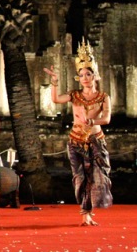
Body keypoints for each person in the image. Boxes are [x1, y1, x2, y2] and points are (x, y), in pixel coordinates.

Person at [43, 38, 112, 226]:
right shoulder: (74, 95)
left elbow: (106, 119)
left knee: (97, 177)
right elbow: (56, 100)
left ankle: (91, 208)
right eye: (81, 75)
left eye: (88, 74)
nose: (85, 78)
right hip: (75, 141)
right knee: (80, 177)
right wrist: (55, 82)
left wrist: (93, 121)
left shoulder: (103, 97)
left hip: (95, 140)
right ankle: (85, 213)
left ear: (95, 75)